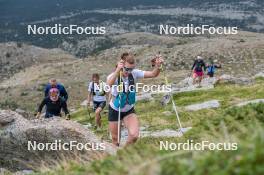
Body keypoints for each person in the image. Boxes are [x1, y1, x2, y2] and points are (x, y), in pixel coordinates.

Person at [107, 52, 163, 146]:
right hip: (115, 110)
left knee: (134, 136)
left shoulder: (134, 73)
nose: (129, 71)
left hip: (129, 110)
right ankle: (116, 157)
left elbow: (153, 74)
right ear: (121, 65)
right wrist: (117, 71)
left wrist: (158, 66)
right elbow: (108, 86)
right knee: (115, 140)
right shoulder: (114, 76)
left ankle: (124, 154)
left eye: (131, 69)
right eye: (127, 69)